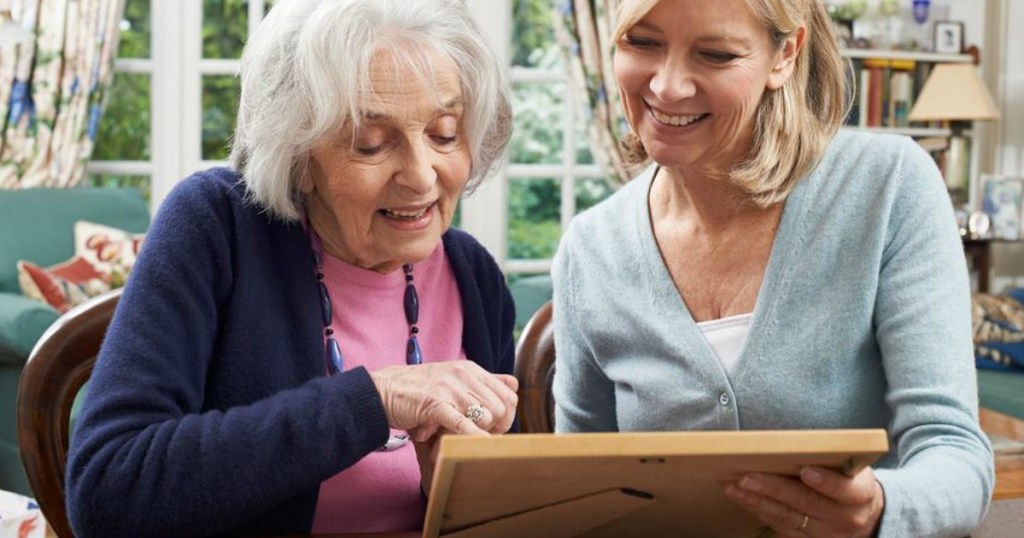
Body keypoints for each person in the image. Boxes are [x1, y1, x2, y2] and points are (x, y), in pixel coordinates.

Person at [65, 0, 517, 535]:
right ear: (298, 156)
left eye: (444, 133)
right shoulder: (217, 227)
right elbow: (109, 491)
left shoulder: (475, 276)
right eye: (371, 144)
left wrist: (454, 486)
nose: (421, 177)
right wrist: (375, 400)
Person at [551, 0, 994, 536]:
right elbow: (578, 491)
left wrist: (880, 509)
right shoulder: (590, 248)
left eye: (714, 55)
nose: (667, 87)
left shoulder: (888, 187)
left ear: (785, 54)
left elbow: (955, 454)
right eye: (641, 43)